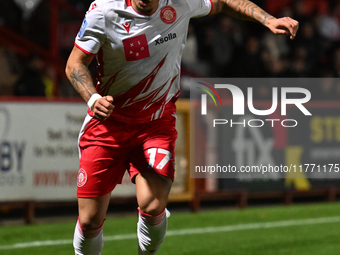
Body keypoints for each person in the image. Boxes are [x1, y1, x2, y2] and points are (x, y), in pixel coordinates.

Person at [65, 0, 299, 254]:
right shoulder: (104, 12)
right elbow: (75, 64)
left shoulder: (180, 3)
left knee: (153, 205)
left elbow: (221, 2)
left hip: (155, 122)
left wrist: (267, 19)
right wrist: (92, 98)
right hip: (108, 125)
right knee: (89, 221)